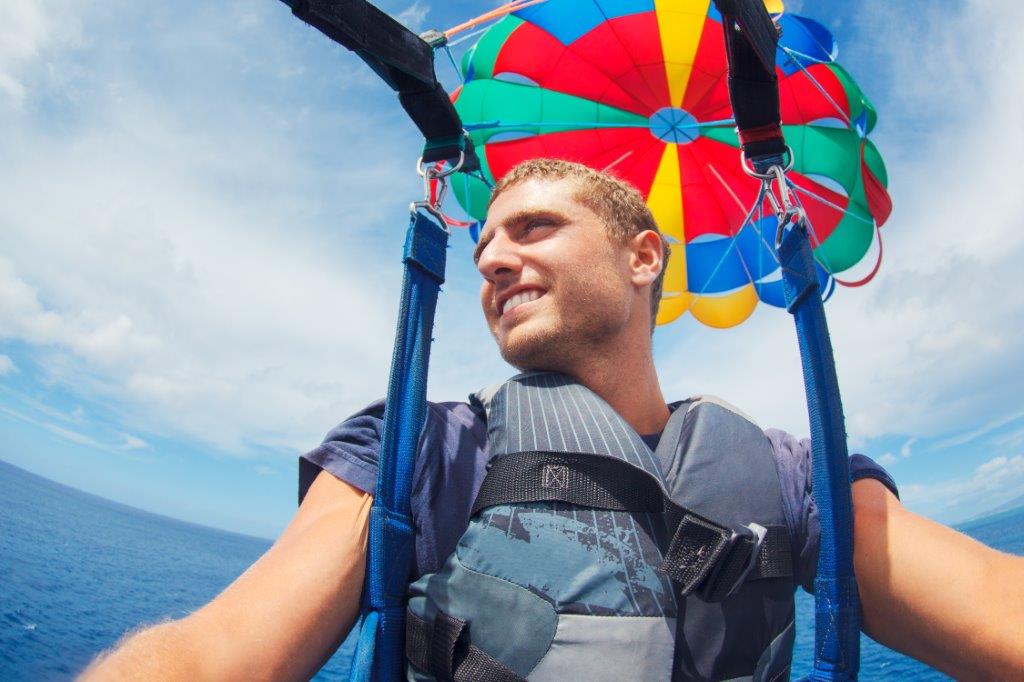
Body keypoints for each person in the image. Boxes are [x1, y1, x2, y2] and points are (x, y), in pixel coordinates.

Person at [84, 159, 1024, 681]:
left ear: (644, 257)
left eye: (533, 229)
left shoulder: (786, 476)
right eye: (485, 239)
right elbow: (214, 654)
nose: (492, 259)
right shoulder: (425, 448)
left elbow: (990, 605)